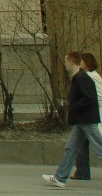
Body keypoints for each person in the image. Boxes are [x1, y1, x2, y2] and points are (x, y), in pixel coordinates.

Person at [43, 51, 102, 187]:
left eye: (66, 61)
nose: (64, 65)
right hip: (81, 121)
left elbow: (88, 98)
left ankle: (60, 177)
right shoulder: (79, 77)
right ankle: (60, 177)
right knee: (71, 148)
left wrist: (74, 107)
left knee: (99, 147)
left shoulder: (81, 78)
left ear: (71, 62)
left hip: (86, 120)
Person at [72, 52, 102, 180]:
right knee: (79, 144)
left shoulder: (91, 77)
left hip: (93, 116)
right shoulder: (87, 76)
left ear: (87, 63)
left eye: (82, 62)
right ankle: (82, 172)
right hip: (86, 116)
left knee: (98, 144)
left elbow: (99, 96)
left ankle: (82, 172)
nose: (80, 64)